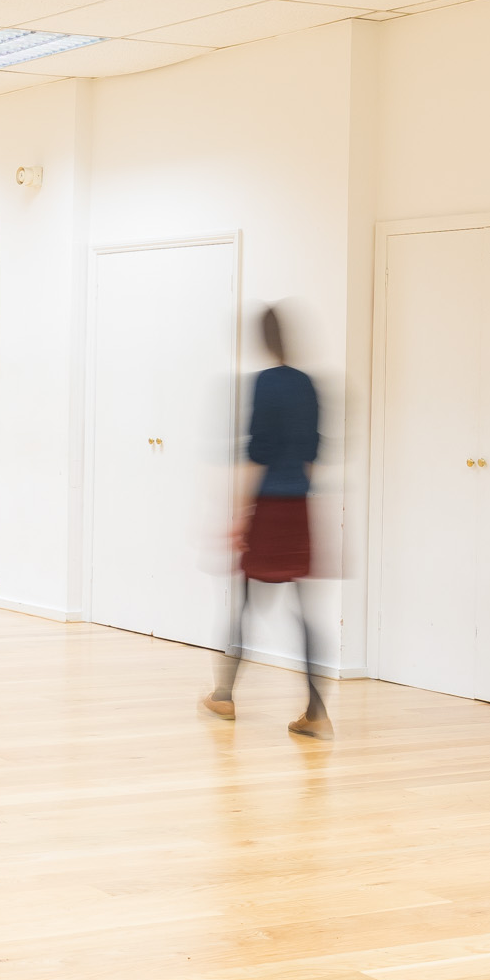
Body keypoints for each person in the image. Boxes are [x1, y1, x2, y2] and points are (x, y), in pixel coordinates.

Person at [204, 305, 331, 738]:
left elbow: (256, 453)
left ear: (262, 339)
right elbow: (315, 451)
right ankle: (316, 709)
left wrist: (242, 515)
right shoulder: (308, 385)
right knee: (302, 610)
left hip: (269, 505)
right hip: (298, 505)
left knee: (243, 603)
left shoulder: (266, 383)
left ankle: (223, 694)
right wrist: (300, 492)